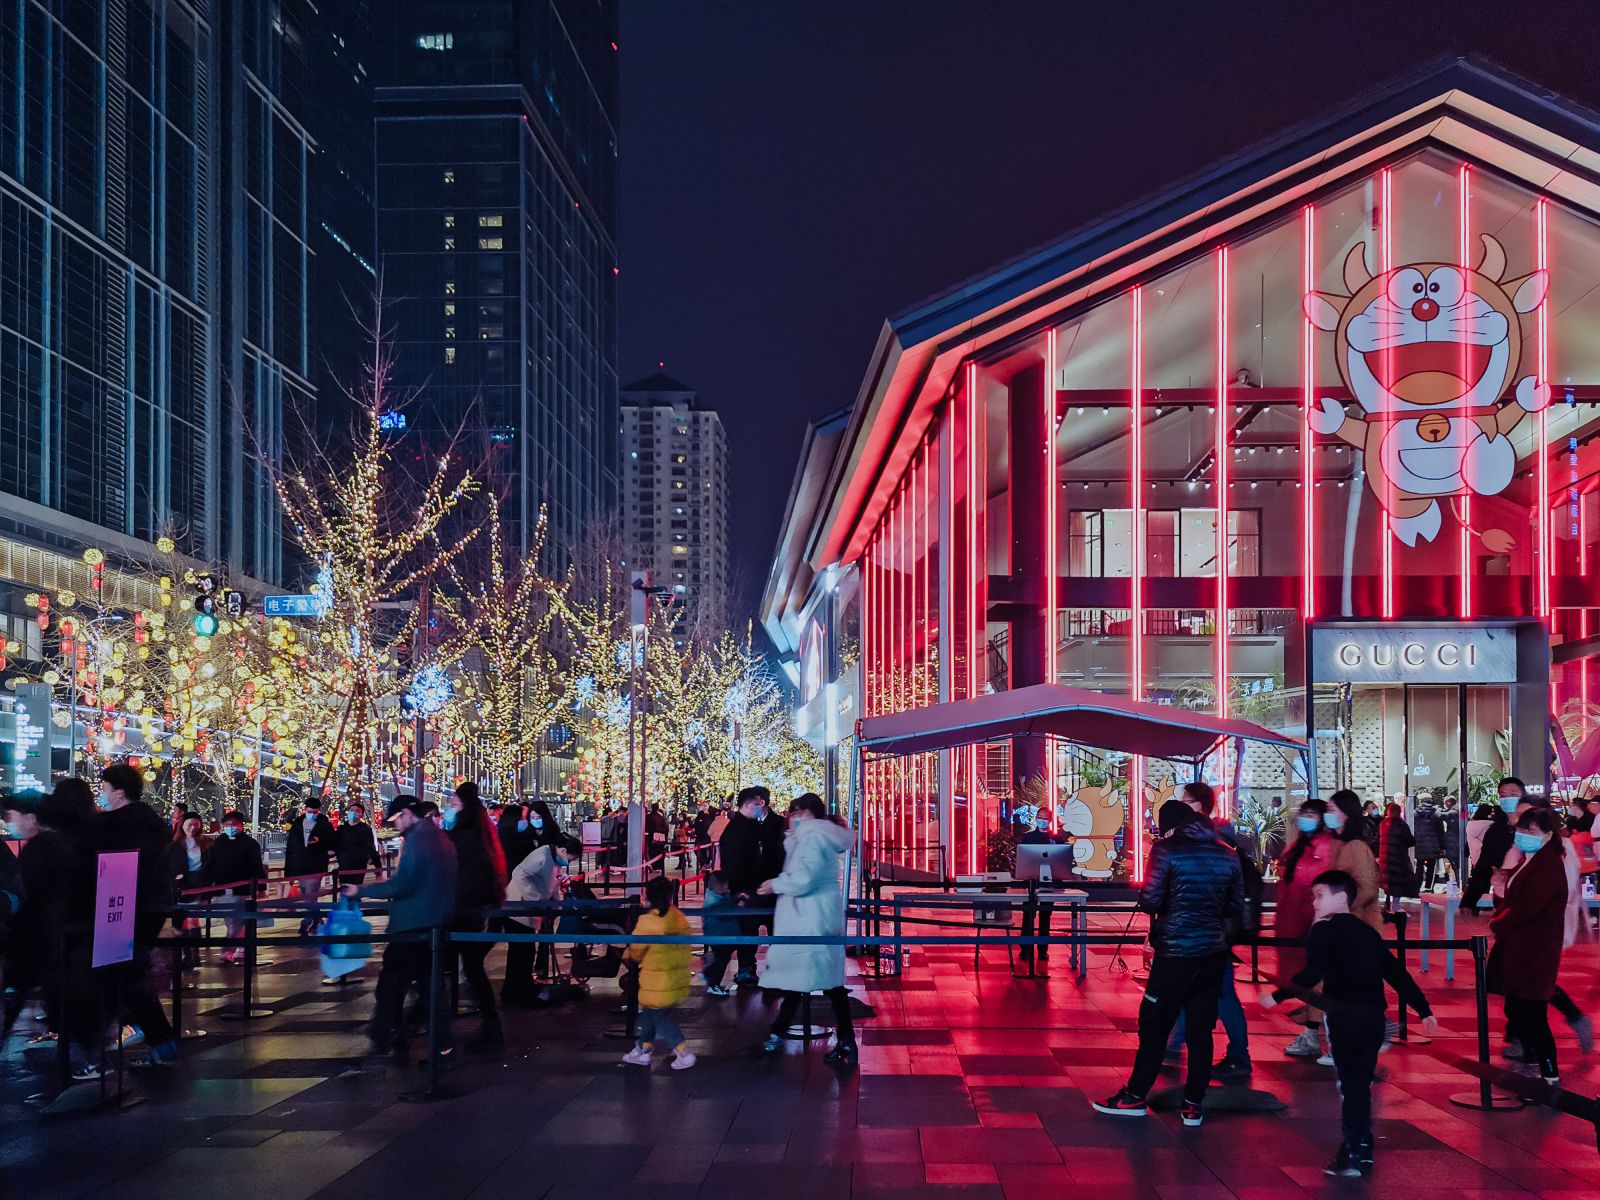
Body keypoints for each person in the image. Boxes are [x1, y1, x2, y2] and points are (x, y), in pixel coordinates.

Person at [1261, 869, 1437, 1177]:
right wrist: (1424, 1010)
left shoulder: (1324, 930)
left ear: (1340, 897)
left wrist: (1276, 996)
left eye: (1320, 895)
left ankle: (1353, 1149)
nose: (1315, 903)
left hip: (1343, 1015)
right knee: (1360, 1082)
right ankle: (1362, 1145)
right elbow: (1395, 972)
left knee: (1350, 1085)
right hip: (1373, 1016)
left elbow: (1311, 974)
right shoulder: (1366, 931)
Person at [1092, 800, 1243, 1127]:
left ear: (1169, 825)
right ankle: (1193, 1103)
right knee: (1201, 1029)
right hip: (1211, 954)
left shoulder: (1166, 850)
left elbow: (1150, 901)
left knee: (1154, 1024)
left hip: (1174, 953)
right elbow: (1235, 907)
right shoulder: (1227, 853)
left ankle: (1134, 1095)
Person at [345, 795, 457, 1057]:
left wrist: (360, 890)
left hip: (413, 923)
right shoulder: (440, 837)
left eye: (396, 819)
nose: (395, 825)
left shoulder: (419, 841)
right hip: (435, 920)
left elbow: (402, 884)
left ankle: (384, 1032)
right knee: (430, 986)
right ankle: (439, 1044)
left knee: (393, 981)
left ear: (407, 813)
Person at [86, 763, 178, 1073]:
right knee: (129, 974)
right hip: (151, 907)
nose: (102, 794)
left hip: (123, 906)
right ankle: (151, 1036)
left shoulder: (116, 824)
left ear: (119, 791)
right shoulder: (154, 822)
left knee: (123, 976)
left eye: (105, 788)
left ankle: (148, 1036)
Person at [754, 793, 858, 1064]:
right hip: (813, 918)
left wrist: (775, 884)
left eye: (800, 812)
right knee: (813, 981)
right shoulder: (813, 837)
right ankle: (783, 1032)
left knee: (812, 980)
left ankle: (779, 1033)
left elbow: (803, 880)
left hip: (809, 919)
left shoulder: (812, 838)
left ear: (812, 814)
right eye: (793, 811)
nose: (795, 817)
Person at [1164, 780, 1258, 1078]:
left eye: (1186, 800)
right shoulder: (1217, 842)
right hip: (1209, 931)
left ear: (1198, 806)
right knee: (1201, 989)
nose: (1182, 805)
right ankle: (1177, 1045)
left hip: (1209, 933)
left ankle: (1237, 1054)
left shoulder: (1214, 843)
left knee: (1219, 993)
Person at [1487, 807, 1568, 1086]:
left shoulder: (1548, 865)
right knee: (1521, 1009)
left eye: (1531, 831)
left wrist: (1498, 923)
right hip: (1522, 949)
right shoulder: (1530, 861)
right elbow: (1515, 902)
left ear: (1547, 834)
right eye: (1521, 830)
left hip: (1536, 950)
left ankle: (1550, 1074)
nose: (1523, 835)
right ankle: (1540, 1068)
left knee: (1533, 1013)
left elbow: (1527, 908)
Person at [442, 782, 507, 1051]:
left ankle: (436, 1034)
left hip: (461, 909)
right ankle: (490, 1025)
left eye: (453, 803)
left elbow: (459, 875)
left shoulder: (461, 837)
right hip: (475, 908)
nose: (449, 808)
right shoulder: (481, 833)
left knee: (445, 967)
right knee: (470, 967)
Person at [1276, 798, 1337, 1058]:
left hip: (1315, 924)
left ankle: (1318, 1035)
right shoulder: (1295, 848)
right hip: (1293, 924)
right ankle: (1315, 1031)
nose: (1307, 818)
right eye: (1305, 813)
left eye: (1313, 814)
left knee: (1320, 983)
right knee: (1309, 981)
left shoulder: (1329, 847)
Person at [621, 874, 697, 1070]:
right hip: (676, 978)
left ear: (648, 897)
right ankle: (642, 1050)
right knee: (648, 1017)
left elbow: (636, 950)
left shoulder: (648, 921)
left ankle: (683, 1052)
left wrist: (630, 956)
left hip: (655, 981)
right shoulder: (679, 917)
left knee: (658, 1019)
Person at [714, 788, 780, 986]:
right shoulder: (738, 827)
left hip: (771, 888)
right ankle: (746, 969)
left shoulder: (775, 824)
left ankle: (776, 970)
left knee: (774, 929)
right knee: (747, 930)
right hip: (748, 889)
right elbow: (734, 860)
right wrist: (739, 888)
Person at [502, 820, 570, 1005]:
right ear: (563, 851)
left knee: (525, 951)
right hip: (518, 908)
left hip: (528, 910)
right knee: (520, 951)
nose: (568, 862)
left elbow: (552, 884)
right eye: (570, 858)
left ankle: (521, 988)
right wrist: (537, 900)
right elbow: (520, 875)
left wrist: (557, 904)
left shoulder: (553, 860)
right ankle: (514, 992)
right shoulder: (541, 857)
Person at [206, 811, 267, 966]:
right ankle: (241, 945)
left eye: (233, 825)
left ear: (241, 825)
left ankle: (228, 951)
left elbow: (257, 867)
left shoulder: (250, 844)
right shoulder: (219, 843)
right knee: (231, 921)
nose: (230, 828)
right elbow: (212, 866)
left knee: (235, 921)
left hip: (242, 889)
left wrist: (261, 887)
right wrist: (210, 888)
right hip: (222, 888)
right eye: (227, 825)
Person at [1463, 779, 1522, 910]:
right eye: (1503, 795)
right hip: (1502, 895)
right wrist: (1469, 900)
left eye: (1513, 794)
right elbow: (1484, 864)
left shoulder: (1534, 825)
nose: (1507, 799)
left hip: (1529, 896)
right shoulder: (1496, 830)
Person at [1015, 810, 1063, 969]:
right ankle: (1025, 949)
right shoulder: (1028, 839)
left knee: (1045, 918)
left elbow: (1061, 861)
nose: (1041, 821)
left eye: (1045, 819)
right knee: (1028, 916)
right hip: (1031, 883)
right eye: (1039, 818)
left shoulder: (1056, 839)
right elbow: (1022, 860)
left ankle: (1043, 950)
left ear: (1050, 821)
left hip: (1049, 884)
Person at [166, 815, 212, 973]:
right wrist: (176, 877)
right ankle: (187, 955)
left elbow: (210, 866)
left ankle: (195, 954)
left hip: (199, 885)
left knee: (194, 921)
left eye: (196, 825)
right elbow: (168, 866)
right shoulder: (175, 845)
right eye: (189, 825)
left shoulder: (205, 844)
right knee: (183, 921)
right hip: (182, 887)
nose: (193, 828)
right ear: (182, 825)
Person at [285, 796, 336, 935]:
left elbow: (332, 842)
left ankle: (306, 922)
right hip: (300, 866)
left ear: (318, 811)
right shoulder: (297, 824)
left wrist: (326, 849)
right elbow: (290, 848)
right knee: (306, 895)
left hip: (316, 866)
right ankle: (317, 920)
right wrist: (289, 872)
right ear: (304, 810)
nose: (312, 814)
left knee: (310, 895)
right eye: (309, 811)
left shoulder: (324, 825)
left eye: (315, 812)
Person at [1378, 803, 1418, 909]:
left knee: (1388, 882)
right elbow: (1411, 841)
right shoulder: (1401, 825)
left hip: (1385, 859)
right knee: (1397, 884)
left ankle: (1387, 903)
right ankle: (1395, 907)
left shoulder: (1382, 824)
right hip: (1398, 859)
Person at [335, 801, 383, 887]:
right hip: (343, 865)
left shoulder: (365, 830)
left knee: (355, 890)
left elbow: (371, 848)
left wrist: (378, 866)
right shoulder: (341, 829)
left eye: (357, 811)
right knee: (344, 889)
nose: (353, 812)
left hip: (358, 866)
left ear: (361, 815)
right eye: (351, 810)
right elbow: (335, 845)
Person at [1413, 794, 1446, 892]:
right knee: (1431, 868)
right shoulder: (1436, 813)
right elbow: (1441, 832)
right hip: (1433, 846)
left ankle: (1417, 887)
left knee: (1419, 867)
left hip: (1418, 845)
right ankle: (1428, 888)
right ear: (1430, 801)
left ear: (1420, 801)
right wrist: (1443, 847)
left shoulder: (1414, 813)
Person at [1440, 795, 1463, 882]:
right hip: (1458, 840)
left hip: (1453, 842)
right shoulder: (1458, 810)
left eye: (1444, 803)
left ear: (1449, 802)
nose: (1444, 805)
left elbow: (1441, 815)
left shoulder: (1453, 812)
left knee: (1455, 864)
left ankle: (1458, 882)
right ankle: (1458, 881)